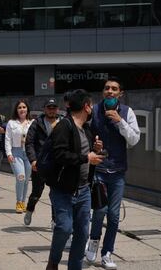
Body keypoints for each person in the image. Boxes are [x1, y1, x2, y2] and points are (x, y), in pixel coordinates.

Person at [85, 77, 140, 269]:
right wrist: (94, 145)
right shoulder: (93, 111)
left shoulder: (127, 112)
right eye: (107, 88)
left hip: (117, 170)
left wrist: (120, 122)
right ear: (103, 92)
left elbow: (134, 140)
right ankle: (93, 240)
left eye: (114, 89)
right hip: (99, 168)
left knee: (114, 215)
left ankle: (107, 252)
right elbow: (86, 135)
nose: (110, 91)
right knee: (99, 210)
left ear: (120, 94)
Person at [46, 89, 104, 270]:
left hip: (84, 189)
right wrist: (87, 158)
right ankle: (53, 262)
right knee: (64, 227)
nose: (93, 108)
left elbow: (89, 156)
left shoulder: (86, 129)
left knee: (82, 233)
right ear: (86, 106)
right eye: (91, 105)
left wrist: (96, 150)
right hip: (63, 190)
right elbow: (60, 154)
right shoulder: (64, 126)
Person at [25, 98, 62, 225]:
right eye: (49, 108)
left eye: (54, 108)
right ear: (44, 109)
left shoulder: (62, 121)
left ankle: (54, 220)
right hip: (40, 163)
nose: (51, 110)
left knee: (56, 193)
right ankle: (30, 209)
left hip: (57, 164)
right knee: (37, 192)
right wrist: (33, 160)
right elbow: (29, 143)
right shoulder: (37, 123)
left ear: (57, 109)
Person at [5, 100, 34, 213]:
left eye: (24, 107)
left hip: (28, 153)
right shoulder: (11, 123)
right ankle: (19, 202)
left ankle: (23, 202)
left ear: (27, 109)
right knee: (20, 177)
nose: (22, 109)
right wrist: (9, 153)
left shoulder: (32, 122)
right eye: (19, 107)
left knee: (26, 180)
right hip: (16, 152)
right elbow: (7, 139)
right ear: (16, 110)